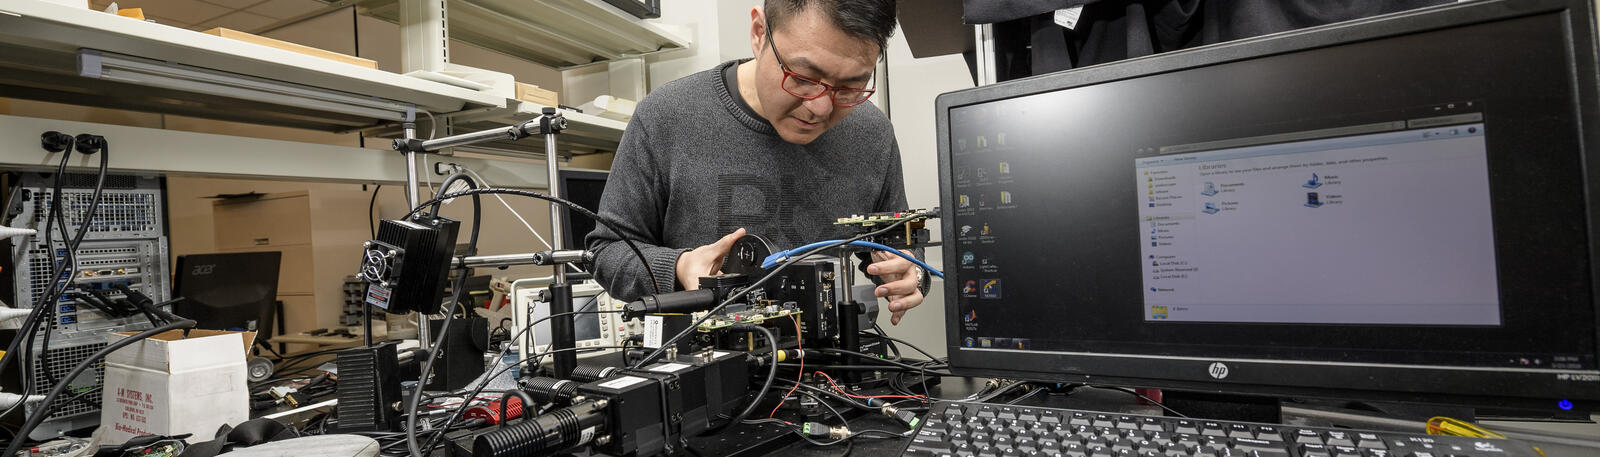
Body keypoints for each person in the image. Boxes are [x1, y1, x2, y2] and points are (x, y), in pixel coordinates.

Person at [586, 0, 928, 324]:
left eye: (850, 87)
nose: (820, 108)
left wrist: (912, 274)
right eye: (803, 78)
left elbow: (899, 246)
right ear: (758, 33)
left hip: (834, 372)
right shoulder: (667, 115)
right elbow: (607, 251)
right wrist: (678, 266)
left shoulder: (872, 133)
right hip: (706, 371)